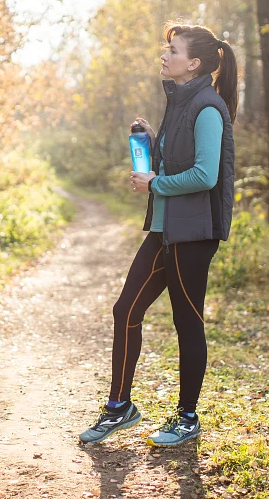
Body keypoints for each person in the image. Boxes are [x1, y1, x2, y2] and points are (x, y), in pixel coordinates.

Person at [78, 23, 238, 447]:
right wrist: (152, 143)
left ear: (194, 63)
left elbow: (205, 175)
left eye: (172, 50)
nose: (164, 56)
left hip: (194, 233)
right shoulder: (181, 100)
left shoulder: (207, 107)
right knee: (125, 309)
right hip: (165, 230)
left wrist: (155, 184)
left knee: (188, 324)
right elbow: (178, 161)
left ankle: (187, 417)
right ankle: (119, 408)